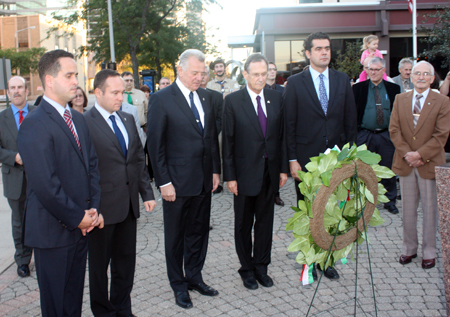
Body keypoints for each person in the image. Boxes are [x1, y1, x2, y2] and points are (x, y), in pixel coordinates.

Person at [17, 49, 103, 316]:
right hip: (52, 233)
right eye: (69, 75)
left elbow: (92, 167)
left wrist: (93, 210)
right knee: (56, 307)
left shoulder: (77, 117)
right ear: (49, 80)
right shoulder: (34, 123)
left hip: (80, 228)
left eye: (76, 74)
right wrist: (78, 217)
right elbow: (45, 185)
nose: (75, 80)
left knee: (72, 302)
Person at [147, 49, 220, 309]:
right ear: (180, 70)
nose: (200, 78)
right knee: (176, 237)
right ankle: (178, 285)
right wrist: (163, 182)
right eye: (195, 73)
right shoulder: (161, 99)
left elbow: (209, 138)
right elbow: (155, 146)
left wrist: (214, 171)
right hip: (175, 184)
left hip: (203, 180)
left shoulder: (206, 97)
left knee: (198, 233)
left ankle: (194, 277)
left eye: (203, 73)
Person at [283, 32, 357, 280]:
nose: (324, 52)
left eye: (327, 48)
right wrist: (292, 159)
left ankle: (327, 260)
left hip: (336, 159)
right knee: (309, 212)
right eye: (318, 49)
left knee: (332, 211)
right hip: (306, 160)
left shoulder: (342, 80)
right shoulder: (294, 83)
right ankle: (309, 260)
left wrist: (350, 157)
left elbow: (350, 122)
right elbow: (289, 125)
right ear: (308, 53)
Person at [84, 69, 156, 317]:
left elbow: (137, 159)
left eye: (122, 93)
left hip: (128, 207)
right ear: (97, 93)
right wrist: (92, 208)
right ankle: (103, 313)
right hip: (102, 210)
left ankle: (122, 308)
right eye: (114, 93)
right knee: (99, 267)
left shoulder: (126, 118)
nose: (120, 98)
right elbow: (84, 170)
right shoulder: (85, 123)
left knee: (125, 264)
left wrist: (146, 193)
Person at [222, 53, 288, 290]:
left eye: (265, 74)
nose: (261, 78)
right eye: (256, 74)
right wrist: (230, 176)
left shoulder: (276, 98)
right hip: (243, 174)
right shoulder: (232, 101)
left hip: (269, 173)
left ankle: (261, 267)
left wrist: (282, 170)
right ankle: (246, 269)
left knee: (265, 223)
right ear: (246, 75)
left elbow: (281, 137)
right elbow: (227, 142)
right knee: (243, 224)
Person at [389, 61, 450, 270]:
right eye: (417, 73)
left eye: (426, 74)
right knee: (408, 210)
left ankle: (430, 252)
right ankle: (409, 248)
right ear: (411, 77)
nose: (421, 77)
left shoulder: (442, 101)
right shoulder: (400, 99)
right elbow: (394, 129)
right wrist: (408, 154)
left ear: (432, 78)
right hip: (406, 163)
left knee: (430, 210)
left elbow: (441, 134)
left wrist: (420, 155)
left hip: (429, 164)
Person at [353, 57, 401, 214]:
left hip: (386, 135)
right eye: (370, 69)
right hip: (364, 135)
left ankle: (390, 201)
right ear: (366, 70)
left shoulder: (394, 89)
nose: (373, 72)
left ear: (383, 70)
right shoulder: (357, 89)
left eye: (376, 69)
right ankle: (365, 202)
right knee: (364, 170)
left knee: (388, 169)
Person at [0, 76, 35, 277]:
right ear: (7, 92)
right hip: (14, 177)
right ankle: (22, 260)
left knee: (41, 216)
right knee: (19, 221)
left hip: (39, 177)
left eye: (20, 87)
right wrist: (14, 157)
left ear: (26, 90)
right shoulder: (1, 118)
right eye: (12, 88)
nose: (16, 91)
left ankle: (43, 254)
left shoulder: (38, 114)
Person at [200, 66, 223, 195]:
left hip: (214, 135)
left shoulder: (216, 96)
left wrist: (212, 132)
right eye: (200, 74)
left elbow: (220, 117)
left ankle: (215, 181)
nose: (202, 77)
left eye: (205, 74)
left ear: (209, 77)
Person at [265, 62, 285, 207]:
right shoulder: (259, 89)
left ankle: (276, 194)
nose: (272, 72)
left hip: (278, 132)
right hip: (264, 133)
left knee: (276, 165)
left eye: (274, 70)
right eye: (269, 69)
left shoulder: (282, 90)